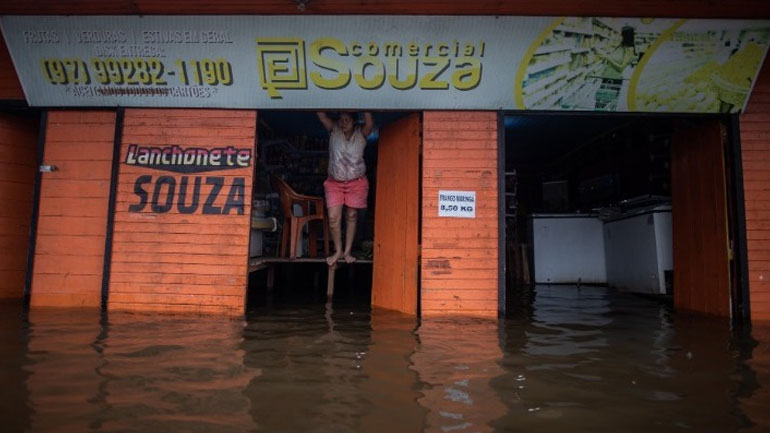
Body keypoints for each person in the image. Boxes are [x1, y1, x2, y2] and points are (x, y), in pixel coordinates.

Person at [316, 111, 375, 265]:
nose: (343, 123)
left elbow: (369, 123)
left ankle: (347, 251)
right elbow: (322, 115)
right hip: (334, 182)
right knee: (334, 218)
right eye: (341, 120)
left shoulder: (361, 133)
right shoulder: (333, 129)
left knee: (351, 216)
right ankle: (338, 250)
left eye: (347, 120)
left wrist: (365, 102)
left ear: (354, 122)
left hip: (356, 181)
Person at [592, 26, 636, 110]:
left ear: (626, 36)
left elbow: (621, 68)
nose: (619, 36)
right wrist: (600, 53)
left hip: (614, 81)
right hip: (606, 79)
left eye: (621, 34)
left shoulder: (629, 49)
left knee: (607, 106)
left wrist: (607, 57)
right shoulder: (619, 46)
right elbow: (610, 59)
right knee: (598, 105)